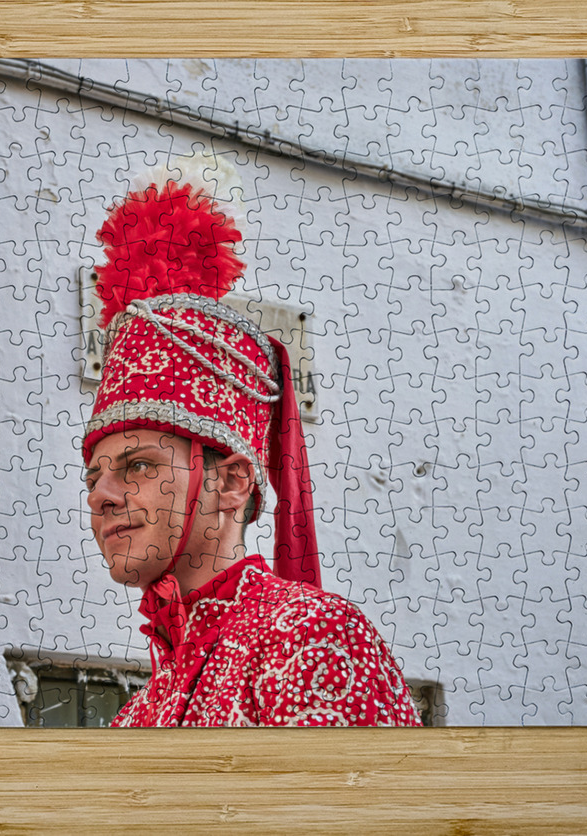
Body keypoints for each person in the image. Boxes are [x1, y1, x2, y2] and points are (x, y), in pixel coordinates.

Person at [82, 156, 422, 727]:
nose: (101, 495)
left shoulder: (311, 639)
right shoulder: (134, 718)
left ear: (233, 482)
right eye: (94, 476)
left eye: (137, 465)